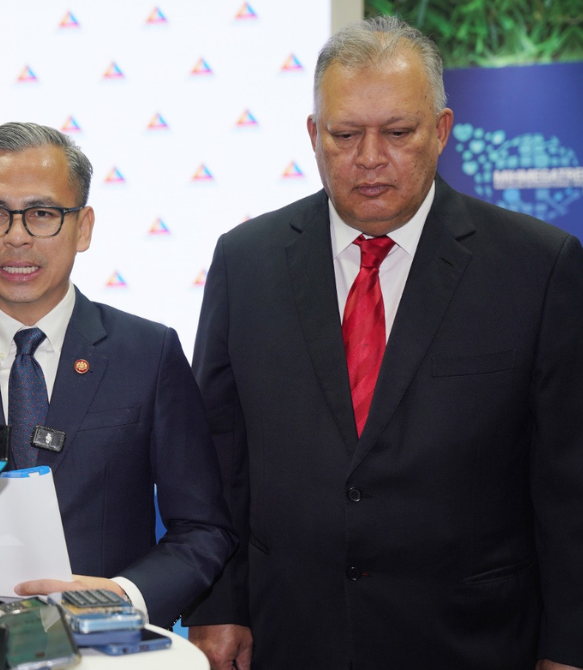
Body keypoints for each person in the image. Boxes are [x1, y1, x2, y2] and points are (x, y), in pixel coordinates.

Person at [184, 15, 583, 670]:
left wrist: (568, 648)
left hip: (471, 641)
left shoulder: (537, 267)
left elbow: (570, 483)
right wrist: (218, 605)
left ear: (442, 131)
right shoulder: (246, 262)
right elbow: (219, 456)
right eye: (345, 135)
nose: (369, 157)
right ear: (314, 137)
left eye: (397, 133)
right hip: (292, 637)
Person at [0, 121, 235, 627]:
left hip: (104, 650)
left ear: (83, 227)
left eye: (41, 214)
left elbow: (202, 528)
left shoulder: (147, 353)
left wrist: (121, 595)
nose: (17, 237)